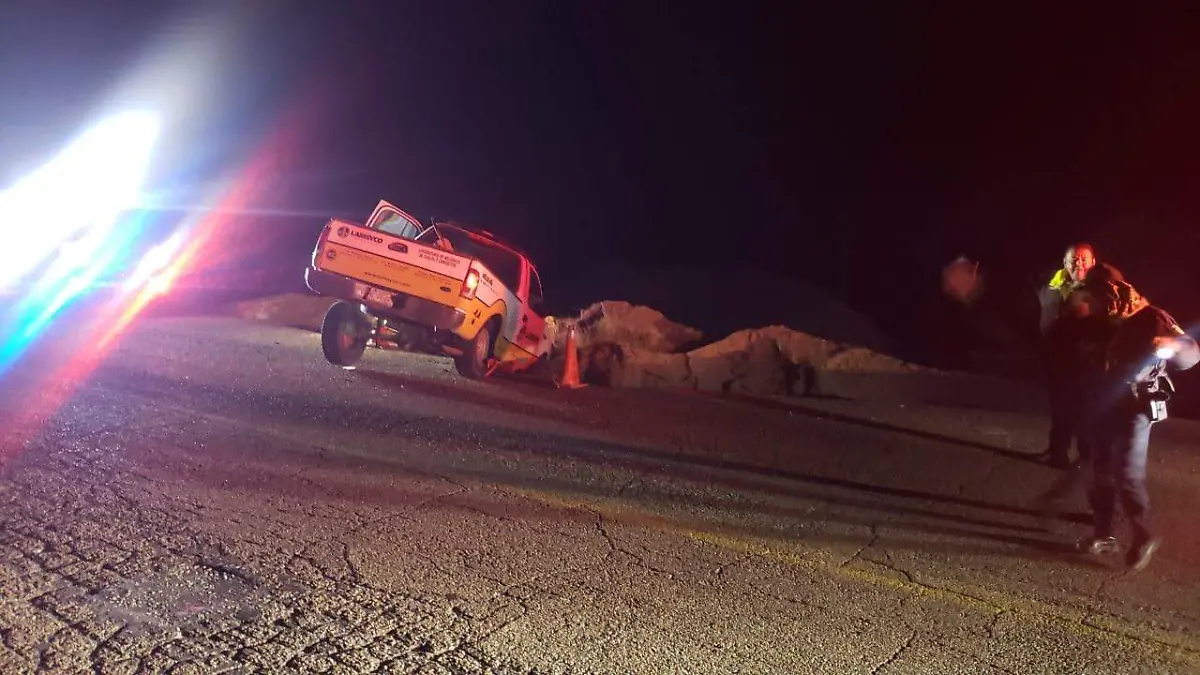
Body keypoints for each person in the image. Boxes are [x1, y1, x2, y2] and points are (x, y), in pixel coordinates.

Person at [1068, 275, 1199, 571]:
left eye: (1090, 300)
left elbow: (1191, 353)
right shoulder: (1096, 320)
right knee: (1098, 469)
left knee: (1126, 471)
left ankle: (1145, 533)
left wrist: (1172, 345)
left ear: (1112, 296)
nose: (1085, 305)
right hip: (1102, 404)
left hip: (1136, 407)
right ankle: (1104, 534)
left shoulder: (1150, 316)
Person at [1036, 243, 1126, 469]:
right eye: (1073, 260)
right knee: (1062, 407)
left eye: (1084, 259)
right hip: (1061, 358)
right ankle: (1058, 453)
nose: (1079, 264)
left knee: (1091, 406)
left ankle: (1087, 452)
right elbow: (1050, 318)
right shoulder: (1055, 285)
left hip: (1093, 360)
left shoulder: (1105, 284)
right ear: (1065, 264)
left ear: (1093, 262)